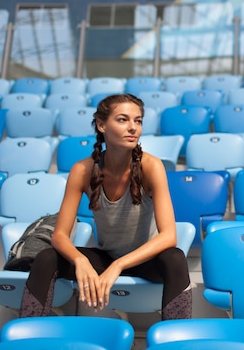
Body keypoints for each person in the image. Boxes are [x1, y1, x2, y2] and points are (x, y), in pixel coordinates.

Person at [19, 93, 192, 319]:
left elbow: (169, 236)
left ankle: (176, 340)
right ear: (101, 125)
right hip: (106, 257)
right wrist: (80, 260)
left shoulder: (152, 167)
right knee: (46, 258)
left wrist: (118, 266)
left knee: (175, 257)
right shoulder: (81, 170)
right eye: (123, 120)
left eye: (138, 121)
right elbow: (60, 235)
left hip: (145, 261)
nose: (133, 128)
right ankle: (30, 336)